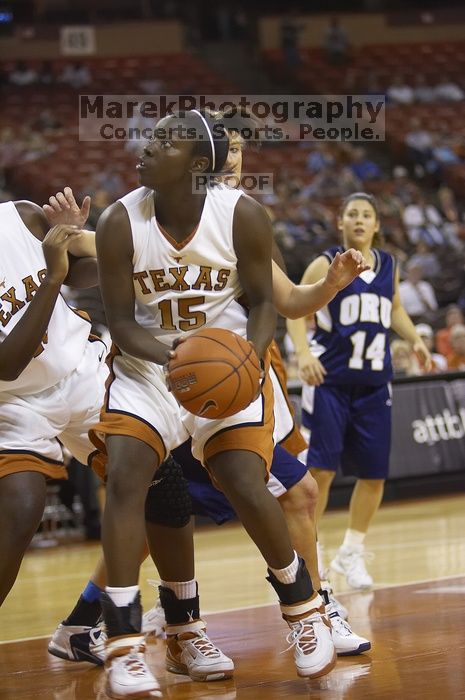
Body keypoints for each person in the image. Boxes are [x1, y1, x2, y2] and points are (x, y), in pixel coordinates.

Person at [88, 109, 369, 698]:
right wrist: (175, 361)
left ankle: (304, 609)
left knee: (248, 481)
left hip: (230, 364)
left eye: (165, 141)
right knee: (127, 479)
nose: (146, 145)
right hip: (150, 369)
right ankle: (122, 643)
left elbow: (269, 302)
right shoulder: (119, 221)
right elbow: (119, 322)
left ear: (196, 166)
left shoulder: (242, 215)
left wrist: (249, 356)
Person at [286, 192, 431, 590]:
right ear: (341, 223)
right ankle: (308, 559)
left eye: (367, 214)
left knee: (374, 474)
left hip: (373, 384)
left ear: (377, 225)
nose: (360, 220)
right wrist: (302, 353)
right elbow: (296, 308)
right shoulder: (326, 261)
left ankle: (351, 552)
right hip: (330, 382)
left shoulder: (390, 265)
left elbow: (396, 308)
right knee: (321, 472)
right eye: (352, 213)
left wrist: (415, 338)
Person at [0, 189, 106, 608]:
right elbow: (7, 364)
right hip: (11, 402)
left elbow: (85, 268)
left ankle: (173, 619)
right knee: (20, 510)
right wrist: (52, 276)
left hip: (78, 370)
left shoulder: (19, 217)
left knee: (156, 483)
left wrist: (71, 237)